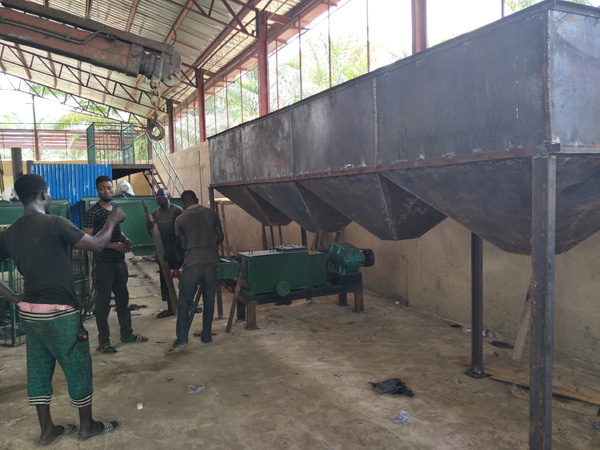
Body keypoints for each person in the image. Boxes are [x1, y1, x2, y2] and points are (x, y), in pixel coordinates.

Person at [0, 174, 122, 444]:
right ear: (43, 195)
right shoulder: (56, 223)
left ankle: (47, 431)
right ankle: (87, 426)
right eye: (49, 193)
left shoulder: (10, 233)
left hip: (29, 313)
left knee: (39, 368)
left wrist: (14, 297)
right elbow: (98, 245)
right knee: (77, 365)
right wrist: (112, 219)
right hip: (60, 313)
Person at [83, 175, 147, 353]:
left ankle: (126, 334)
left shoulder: (116, 208)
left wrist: (124, 239)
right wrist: (113, 245)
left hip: (119, 263)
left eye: (109, 188)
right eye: (103, 188)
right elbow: (88, 240)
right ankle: (104, 342)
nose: (107, 191)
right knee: (102, 304)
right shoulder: (92, 213)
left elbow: (117, 229)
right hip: (103, 264)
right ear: (97, 190)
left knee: (123, 300)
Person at [169, 190, 223, 353]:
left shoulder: (180, 219)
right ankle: (206, 336)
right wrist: (210, 245)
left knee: (185, 301)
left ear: (184, 203)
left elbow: (184, 244)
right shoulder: (211, 213)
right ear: (197, 200)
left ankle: (182, 339)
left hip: (192, 263)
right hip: (211, 262)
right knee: (208, 300)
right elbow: (220, 237)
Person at [146, 188, 184, 318]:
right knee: (165, 280)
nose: (159, 197)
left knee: (184, 279)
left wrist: (172, 250)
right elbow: (153, 235)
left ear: (169, 196)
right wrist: (149, 227)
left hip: (178, 252)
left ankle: (188, 304)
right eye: (157, 195)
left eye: (162, 194)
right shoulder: (154, 214)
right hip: (162, 254)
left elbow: (182, 234)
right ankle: (171, 307)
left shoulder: (177, 211)